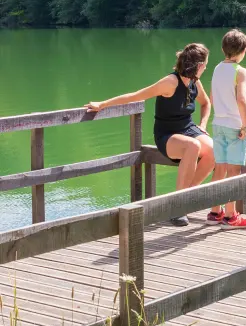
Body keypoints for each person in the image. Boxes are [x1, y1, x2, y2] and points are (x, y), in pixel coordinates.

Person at [85, 42, 215, 227]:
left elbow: (206, 103)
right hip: (167, 134)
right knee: (192, 146)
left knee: (214, 150)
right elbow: (136, 96)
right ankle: (178, 207)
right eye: (205, 65)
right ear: (199, 65)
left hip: (189, 128)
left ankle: (186, 196)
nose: (206, 68)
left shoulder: (195, 82)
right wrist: (103, 104)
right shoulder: (170, 82)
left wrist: (202, 125)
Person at [206, 29, 246, 229]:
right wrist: (244, 125)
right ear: (243, 50)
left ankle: (214, 212)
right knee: (234, 171)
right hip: (236, 126)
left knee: (219, 168)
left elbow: (211, 97)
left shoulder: (217, 68)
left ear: (223, 49)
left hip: (218, 124)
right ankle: (230, 216)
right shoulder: (241, 71)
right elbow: (242, 99)